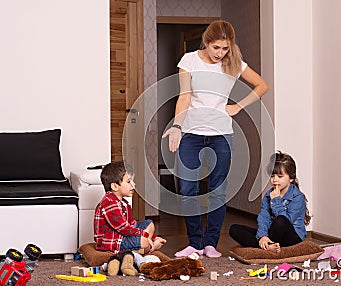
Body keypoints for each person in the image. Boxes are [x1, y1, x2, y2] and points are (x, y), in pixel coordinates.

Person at [162, 20, 269, 258]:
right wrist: (177, 126)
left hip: (221, 135)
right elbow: (184, 96)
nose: (220, 54)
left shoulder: (234, 63)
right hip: (191, 134)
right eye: (216, 48)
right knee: (188, 189)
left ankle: (210, 243)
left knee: (217, 191)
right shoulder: (189, 60)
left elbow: (262, 85)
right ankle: (195, 243)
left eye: (225, 48)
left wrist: (238, 107)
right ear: (206, 42)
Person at [229, 152, 311, 253]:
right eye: (272, 176)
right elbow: (264, 217)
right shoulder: (269, 194)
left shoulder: (297, 197)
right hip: (272, 233)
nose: (275, 180)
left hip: (291, 237)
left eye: (280, 176)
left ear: (291, 178)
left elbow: (286, 222)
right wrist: (262, 236)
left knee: (280, 221)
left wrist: (276, 201)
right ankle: (268, 245)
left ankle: (264, 246)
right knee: (234, 229)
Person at [94, 161, 166, 254]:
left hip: (123, 236)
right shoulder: (110, 204)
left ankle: (147, 245)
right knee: (143, 241)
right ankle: (150, 247)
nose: (133, 185)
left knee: (149, 224)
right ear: (115, 186)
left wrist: (153, 237)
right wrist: (146, 236)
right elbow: (124, 228)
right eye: (129, 182)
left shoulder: (124, 203)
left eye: (133, 181)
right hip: (113, 242)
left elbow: (132, 224)